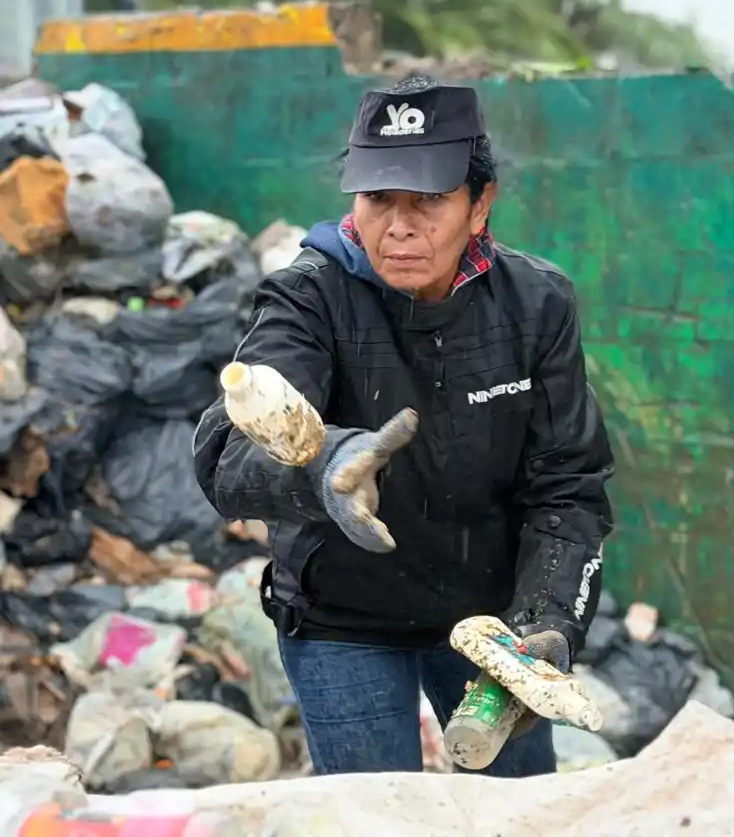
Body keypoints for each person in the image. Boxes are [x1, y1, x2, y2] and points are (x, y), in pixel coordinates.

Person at [193, 75, 614, 777]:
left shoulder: (536, 304)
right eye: (379, 198)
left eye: (429, 200)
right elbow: (227, 453)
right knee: (374, 815)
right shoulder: (308, 297)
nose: (399, 225)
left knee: (517, 812)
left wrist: (547, 623)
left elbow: (569, 484)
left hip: (491, 628)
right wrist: (326, 462)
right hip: (343, 619)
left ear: (481, 204)